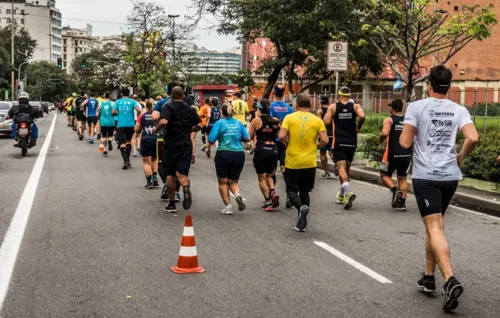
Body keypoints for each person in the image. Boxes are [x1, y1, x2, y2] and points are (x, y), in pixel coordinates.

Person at [400, 65, 478, 312]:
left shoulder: (416, 107)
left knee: (434, 226)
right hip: (450, 177)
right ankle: (428, 276)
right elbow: (473, 137)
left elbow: (404, 142)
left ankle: (450, 280)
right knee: (435, 226)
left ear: (429, 85)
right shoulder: (459, 110)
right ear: (449, 86)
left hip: (426, 176)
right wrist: (461, 156)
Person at [279, 94, 328, 232]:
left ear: (296, 105)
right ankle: (302, 218)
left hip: (293, 161)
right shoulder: (317, 120)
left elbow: (281, 136)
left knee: (291, 190)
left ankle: (301, 209)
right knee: (305, 191)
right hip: (309, 161)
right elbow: (325, 140)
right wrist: (315, 147)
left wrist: (287, 144)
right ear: (310, 106)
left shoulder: (289, 118)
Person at [156, 86, 203, 213]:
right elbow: (200, 125)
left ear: (171, 95)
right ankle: (186, 188)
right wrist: (190, 130)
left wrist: (156, 129)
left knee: (170, 175)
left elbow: (164, 121)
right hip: (186, 145)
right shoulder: (190, 109)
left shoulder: (168, 107)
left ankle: (171, 203)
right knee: (182, 174)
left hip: (171, 145)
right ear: (183, 96)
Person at [323, 87, 365, 209]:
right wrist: (358, 127)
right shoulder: (355, 106)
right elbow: (362, 116)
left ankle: (348, 192)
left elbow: (326, 122)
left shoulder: (333, 107)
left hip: (339, 141)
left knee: (341, 168)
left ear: (339, 95)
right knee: (347, 168)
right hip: (352, 141)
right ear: (349, 95)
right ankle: (342, 194)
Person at [208, 102, 250, 215]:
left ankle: (228, 207)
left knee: (223, 182)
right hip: (238, 154)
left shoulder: (219, 123)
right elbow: (247, 138)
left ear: (222, 111)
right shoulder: (239, 123)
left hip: (223, 153)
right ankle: (237, 195)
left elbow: (211, 140)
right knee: (233, 181)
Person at [379, 99, 413, 211]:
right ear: (402, 108)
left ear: (392, 109)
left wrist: (380, 139)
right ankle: (402, 203)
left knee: (384, 174)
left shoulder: (389, 120)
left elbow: (385, 132)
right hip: (406, 154)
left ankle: (394, 191)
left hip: (391, 154)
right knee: (402, 178)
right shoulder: (409, 121)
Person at [248, 99, 280, 211]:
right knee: (269, 175)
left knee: (261, 178)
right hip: (273, 150)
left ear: (259, 108)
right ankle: (273, 192)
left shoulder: (256, 121)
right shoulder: (275, 120)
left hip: (261, 149)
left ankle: (268, 201)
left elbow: (248, 136)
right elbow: (279, 134)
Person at [269, 85, 294, 207]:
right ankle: (290, 195)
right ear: (284, 93)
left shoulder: (270, 107)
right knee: (285, 169)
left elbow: (267, 121)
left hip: (272, 141)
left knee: (272, 170)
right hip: (285, 141)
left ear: (273, 93)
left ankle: (271, 194)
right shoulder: (289, 108)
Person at [112, 88, 142, 169]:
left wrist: (117, 113)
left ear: (121, 93)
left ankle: (125, 160)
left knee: (122, 143)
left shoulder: (118, 101)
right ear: (129, 94)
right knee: (129, 141)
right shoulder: (132, 101)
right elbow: (138, 110)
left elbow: (113, 112)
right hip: (130, 124)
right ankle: (128, 160)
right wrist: (137, 116)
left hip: (121, 124)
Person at [135, 100, 159, 189]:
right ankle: (155, 178)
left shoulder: (142, 116)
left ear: (145, 107)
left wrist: (140, 129)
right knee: (154, 159)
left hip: (145, 139)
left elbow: (136, 128)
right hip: (156, 139)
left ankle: (149, 181)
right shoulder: (157, 116)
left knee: (146, 162)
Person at [316, 96, 335, 179]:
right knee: (331, 152)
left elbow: (320, 124)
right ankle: (338, 166)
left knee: (323, 153)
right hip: (332, 134)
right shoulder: (332, 109)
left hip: (323, 134)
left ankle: (327, 172)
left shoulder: (320, 111)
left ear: (321, 103)